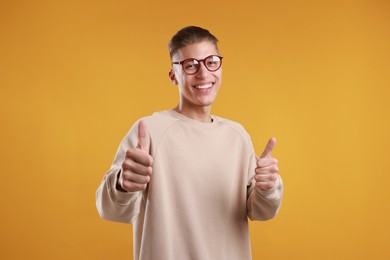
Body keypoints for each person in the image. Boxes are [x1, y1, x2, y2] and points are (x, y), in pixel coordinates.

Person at [96, 25, 283, 260]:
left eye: (211, 61)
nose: (204, 74)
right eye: (191, 65)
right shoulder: (149, 131)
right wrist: (122, 184)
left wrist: (269, 188)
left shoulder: (238, 136)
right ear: (174, 75)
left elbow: (262, 211)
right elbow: (111, 210)